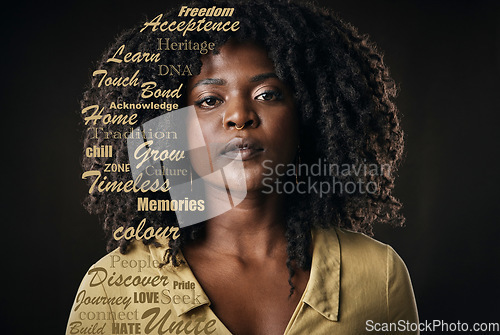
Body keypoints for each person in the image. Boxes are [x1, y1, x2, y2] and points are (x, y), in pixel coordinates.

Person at [68, 1, 418, 334]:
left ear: (309, 117)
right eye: (209, 100)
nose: (239, 116)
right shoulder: (112, 288)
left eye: (267, 94)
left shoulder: (380, 276)